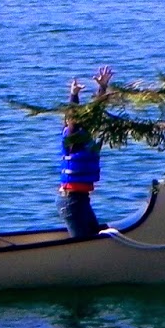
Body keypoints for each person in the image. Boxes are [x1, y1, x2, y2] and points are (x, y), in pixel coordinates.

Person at [59, 65, 113, 240]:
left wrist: (102, 88)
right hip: (72, 202)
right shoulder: (72, 138)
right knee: (85, 243)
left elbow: (95, 114)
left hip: (81, 200)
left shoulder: (84, 135)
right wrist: (74, 96)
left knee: (95, 234)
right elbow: (73, 119)